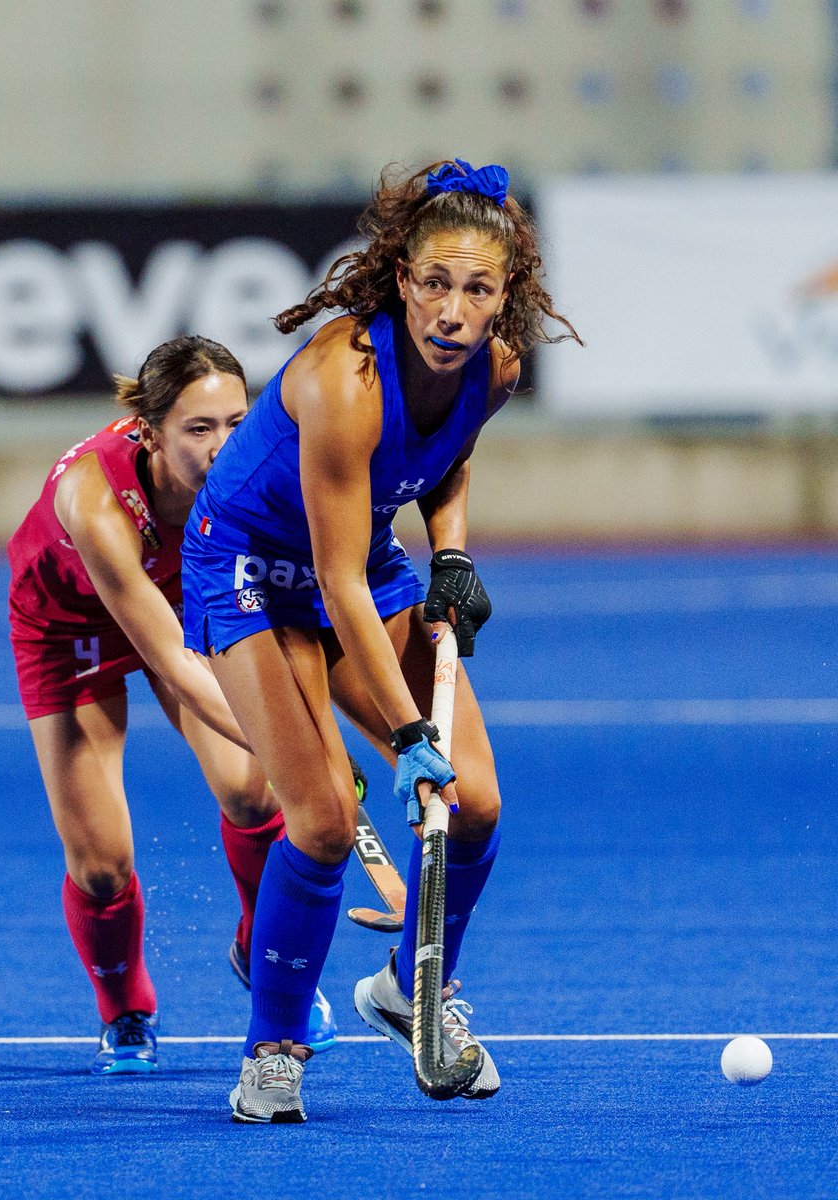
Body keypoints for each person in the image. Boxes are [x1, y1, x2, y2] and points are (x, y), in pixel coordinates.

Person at [180, 158, 580, 1122]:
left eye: (476, 289)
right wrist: (406, 735)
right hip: (255, 569)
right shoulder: (342, 380)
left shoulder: (496, 365)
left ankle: (408, 988)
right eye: (434, 282)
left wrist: (451, 557)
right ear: (402, 278)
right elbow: (333, 583)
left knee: (476, 805)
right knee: (319, 825)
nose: (451, 309)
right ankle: (272, 1054)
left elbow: (450, 458)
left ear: (504, 297)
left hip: (361, 559)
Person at [7, 336, 339, 1075]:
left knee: (254, 791)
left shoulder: (259, 470)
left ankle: (264, 950)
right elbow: (172, 661)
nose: (225, 446)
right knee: (100, 864)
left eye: (235, 422)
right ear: (151, 434)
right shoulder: (97, 505)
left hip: (188, 597)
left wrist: (299, 742)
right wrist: (294, 748)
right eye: (199, 429)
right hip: (70, 629)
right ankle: (125, 1010)